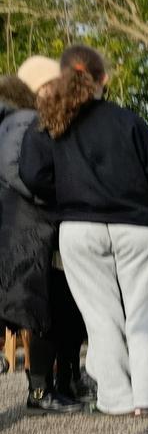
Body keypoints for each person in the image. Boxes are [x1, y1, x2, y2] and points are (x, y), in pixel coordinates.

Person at [21, 45, 148, 417]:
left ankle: (115, 397)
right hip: (135, 226)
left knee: (99, 314)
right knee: (143, 310)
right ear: (103, 79)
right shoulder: (129, 120)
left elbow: (32, 174)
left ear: (61, 76)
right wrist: (147, 212)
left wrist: (66, 198)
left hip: (79, 228)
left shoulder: (48, 121)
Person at [0, 63, 90, 413]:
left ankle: (57, 382)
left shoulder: (13, 121)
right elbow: (16, 170)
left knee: (51, 303)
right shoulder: (23, 121)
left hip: (24, 226)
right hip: (32, 225)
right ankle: (42, 389)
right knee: (48, 305)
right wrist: (51, 194)